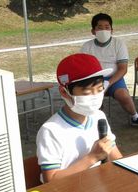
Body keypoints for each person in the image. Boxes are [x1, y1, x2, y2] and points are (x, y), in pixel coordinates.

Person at [36, 53, 123, 183]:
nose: (95, 96)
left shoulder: (99, 116)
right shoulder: (51, 131)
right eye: (87, 92)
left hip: (95, 188)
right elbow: (51, 179)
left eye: (100, 89)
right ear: (64, 92)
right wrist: (92, 158)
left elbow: (116, 157)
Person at [81, 13, 138, 129]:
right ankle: (96, 122)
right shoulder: (86, 47)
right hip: (95, 79)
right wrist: (98, 83)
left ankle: (135, 117)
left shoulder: (118, 44)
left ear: (112, 30)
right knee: (94, 99)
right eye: (99, 27)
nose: (103, 30)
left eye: (107, 27)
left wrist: (108, 83)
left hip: (115, 77)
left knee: (124, 95)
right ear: (93, 31)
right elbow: (84, 68)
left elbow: (123, 69)